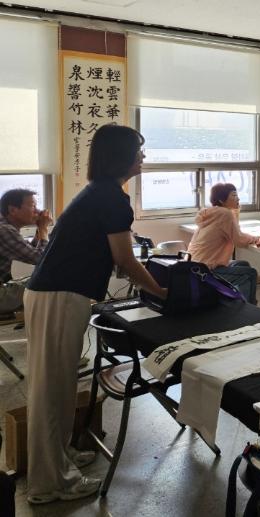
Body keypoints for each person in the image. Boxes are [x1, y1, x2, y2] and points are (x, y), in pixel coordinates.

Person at [24, 124, 168, 504]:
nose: (143, 157)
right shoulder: (111, 198)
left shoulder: (100, 192)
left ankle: (60, 459)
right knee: (52, 390)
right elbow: (124, 259)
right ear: (121, 155)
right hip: (59, 295)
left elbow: (116, 259)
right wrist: (161, 290)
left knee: (59, 386)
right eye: (138, 150)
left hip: (55, 293)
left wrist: (138, 275)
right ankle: (49, 483)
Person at [186, 183, 260, 304]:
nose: (238, 198)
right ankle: (248, 310)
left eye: (237, 195)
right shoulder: (225, 214)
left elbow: (235, 233)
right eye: (234, 196)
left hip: (193, 266)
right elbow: (238, 239)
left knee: (243, 264)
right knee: (250, 273)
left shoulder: (212, 213)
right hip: (205, 271)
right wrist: (258, 239)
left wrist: (235, 212)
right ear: (221, 200)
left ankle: (233, 302)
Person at [0, 189, 51, 314]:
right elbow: (41, 259)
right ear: (13, 210)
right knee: (49, 279)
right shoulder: (4, 230)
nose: (38, 211)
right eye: (32, 206)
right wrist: (43, 228)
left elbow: (29, 251)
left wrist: (40, 229)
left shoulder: (6, 227)